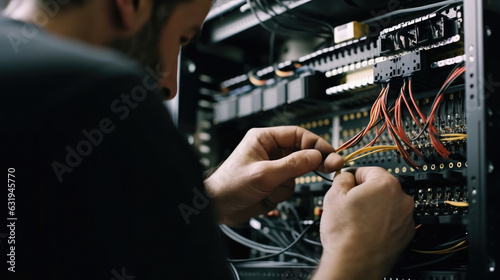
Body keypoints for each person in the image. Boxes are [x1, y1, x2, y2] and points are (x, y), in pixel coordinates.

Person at [0, 0, 415, 279]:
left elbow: (54, 239)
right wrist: (356, 257)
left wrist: (203, 202)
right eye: (182, 38)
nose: (169, 87)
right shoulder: (93, 91)